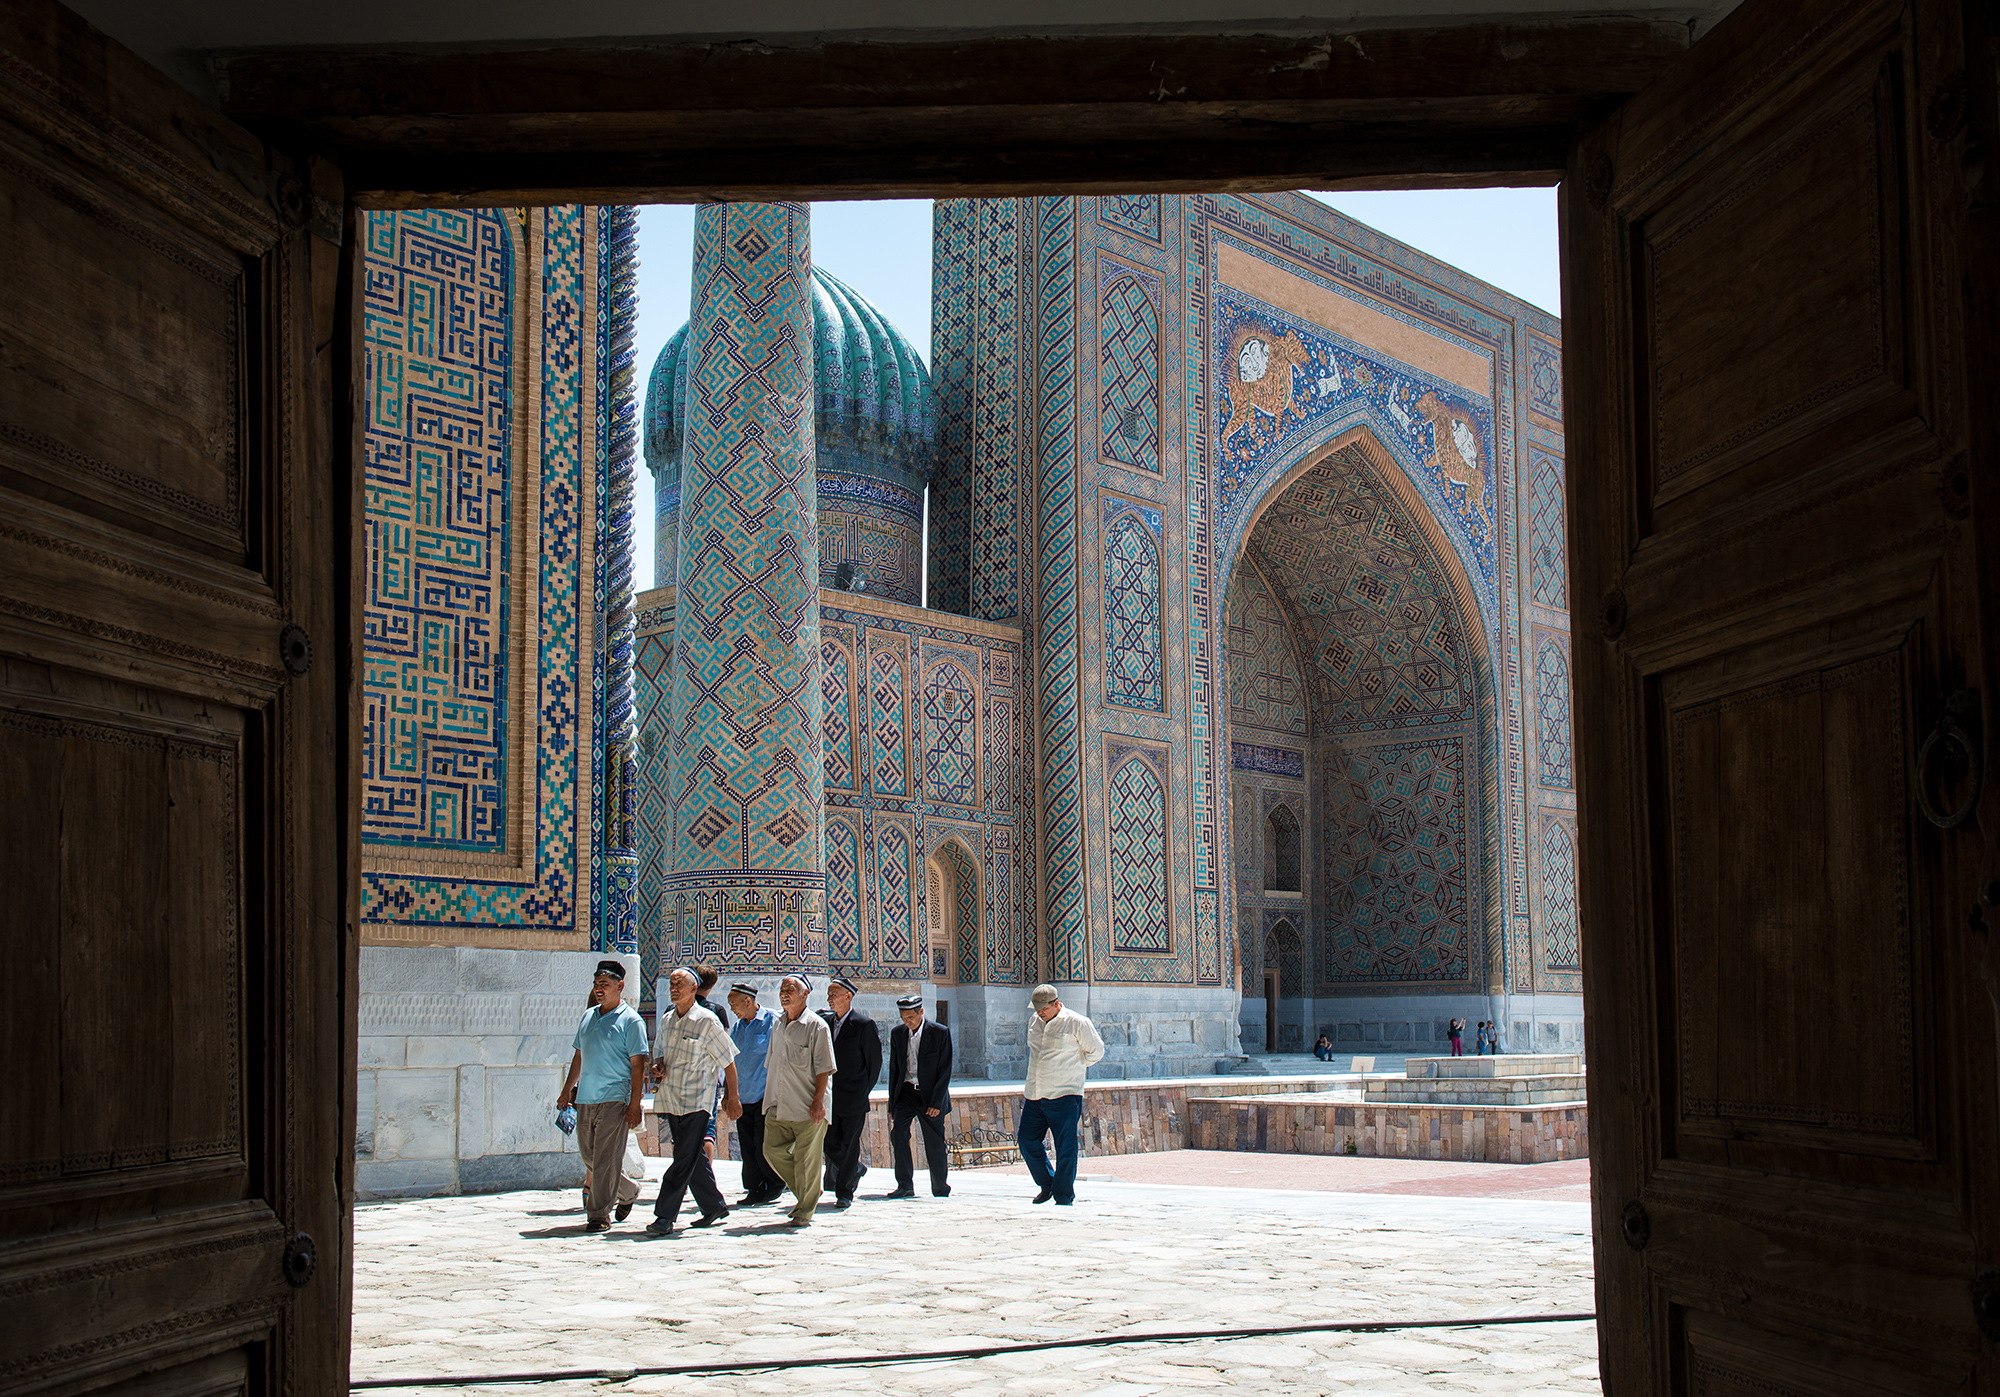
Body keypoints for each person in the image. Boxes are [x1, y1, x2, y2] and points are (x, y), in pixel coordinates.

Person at [645, 967, 741, 1234]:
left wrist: (732, 1097)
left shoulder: (707, 1021)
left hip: (697, 1100)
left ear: (693, 989)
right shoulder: (667, 1020)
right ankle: (713, 1205)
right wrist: (658, 1067)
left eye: (679, 984)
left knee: (683, 1156)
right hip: (672, 1097)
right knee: (693, 1155)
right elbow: (660, 1055)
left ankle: (665, 1216)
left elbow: (729, 1062)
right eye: (672, 984)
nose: (674, 988)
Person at [555, 960, 648, 1233]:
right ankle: (628, 1190)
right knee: (590, 1157)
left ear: (619, 986)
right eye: (596, 984)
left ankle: (598, 1215)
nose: (599, 989)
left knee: (605, 1158)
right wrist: (566, 1089)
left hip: (614, 1098)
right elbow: (579, 1055)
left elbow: (638, 1065)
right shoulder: (588, 1016)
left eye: (604, 985)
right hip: (585, 1098)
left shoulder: (631, 1021)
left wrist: (634, 1104)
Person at [1017, 983, 1104, 1207]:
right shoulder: (1034, 1021)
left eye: (1043, 1009)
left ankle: (1063, 1195)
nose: (1039, 1013)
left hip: (1064, 1094)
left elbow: (1096, 1051)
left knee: (1065, 1147)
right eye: (1036, 1009)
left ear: (1056, 1004)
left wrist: (1073, 1067)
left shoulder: (1077, 1023)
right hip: (1035, 1094)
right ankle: (1048, 1184)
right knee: (1027, 1141)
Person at [763, 974, 835, 1226]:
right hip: (779, 1103)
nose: (785, 993)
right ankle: (810, 1191)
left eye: (790, 989)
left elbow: (824, 1068)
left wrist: (818, 1102)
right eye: (782, 989)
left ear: (805, 995)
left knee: (808, 1159)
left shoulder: (817, 1026)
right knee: (771, 1150)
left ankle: (805, 1210)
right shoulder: (778, 1024)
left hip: (808, 1106)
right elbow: (772, 1064)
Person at [818, 975, 882, 1209]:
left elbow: (873, 1064)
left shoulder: (863, 1024)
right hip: (830, 1097)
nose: (829, 999)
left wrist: (862, 1091)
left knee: (850, 1143)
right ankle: (855, 1168)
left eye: (833, 995)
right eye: (828, 995)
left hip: (853, 1097)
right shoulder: (825, 1022)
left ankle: (844, 1192)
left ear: (848, 996)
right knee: (828, 1141)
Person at [885, 994, 953, 1199]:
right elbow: (895, 1070)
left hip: (930, 1095)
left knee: (934, 1142)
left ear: (921, 1012)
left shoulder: (939, 1033)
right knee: (899, 1134)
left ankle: (940, 1187)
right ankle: (904, 1185)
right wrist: (892, 1103)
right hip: (906, 1092)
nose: (907, 1022)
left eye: (910, 1018)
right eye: (903, 1017)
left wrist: (936, 1102)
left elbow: (945, 1070)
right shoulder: (898, 1034)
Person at [726, 982, 785, 1206]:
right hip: (743, 1097)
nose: (732, 1009)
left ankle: (774, 1184)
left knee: (764, 1145)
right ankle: (754, 1187)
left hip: (765, 1096)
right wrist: (729, 1094)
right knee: (748, 1146)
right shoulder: (739, 1027)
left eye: (734, 1004)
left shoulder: (773, 1022)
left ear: (748, 1001)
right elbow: (733, 1062)